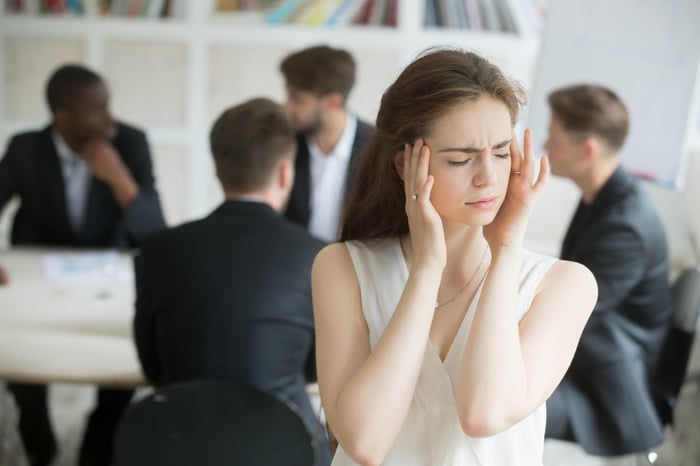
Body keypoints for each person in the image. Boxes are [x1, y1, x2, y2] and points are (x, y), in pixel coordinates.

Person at [312, 48, 597, 466]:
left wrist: (506, 250)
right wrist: (427, 268)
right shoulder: (343, 267)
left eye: (502, 153)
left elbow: (484, 413)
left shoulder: (563, 285)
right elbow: (365, 443)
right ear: (404, 164)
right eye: (461, 159)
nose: (488, 176)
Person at [133, 97, 331, 465]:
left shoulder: (159, 249)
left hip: (180, 445)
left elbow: (152, 364)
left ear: (218, 170)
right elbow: (314, 368)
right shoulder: (318, 255)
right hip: (284, 447)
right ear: (286, 172)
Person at [0, 64, 166, 466]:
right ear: (62, 116)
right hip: (36, 279)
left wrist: (118, 178)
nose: (109, 117)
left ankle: (96, 446)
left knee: (123, 368)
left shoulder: (129, 142)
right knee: (22, 366)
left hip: (107, 279)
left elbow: (156, 234)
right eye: (97, 108)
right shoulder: (26, 148)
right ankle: (40, 442)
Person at [543, 84, 673, 456]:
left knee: (504, 406)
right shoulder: (604, 197)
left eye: (554, 137)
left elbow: (569, 309)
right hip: (591, 357)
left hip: (611, 386)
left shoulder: (625, 225)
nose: (545, 146)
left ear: (588, 151)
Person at [279, 45, 372, 242]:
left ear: (333, 102)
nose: (286, 105)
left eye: (296, 97)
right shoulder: (284, 144)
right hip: (296, 267)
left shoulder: (377, 149)